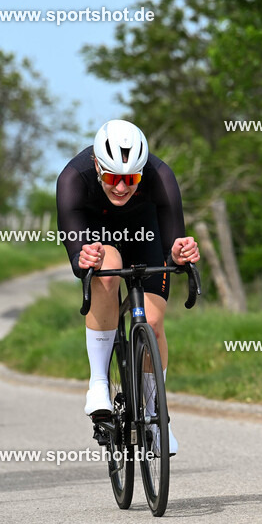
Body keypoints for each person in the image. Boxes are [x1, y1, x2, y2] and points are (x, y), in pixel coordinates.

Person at [56, 119, 200, 455]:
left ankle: (156, 417)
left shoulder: (160, 175)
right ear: (97, 165)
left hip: (145, 233)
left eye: (131, 179)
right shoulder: (73, 178)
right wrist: (82, 257)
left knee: (153, 321)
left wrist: (180, 254)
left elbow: (173, 245)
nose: (121, 187)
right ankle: (98, 384)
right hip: (97, 234)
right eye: (112, 178)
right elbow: (76, 252)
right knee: (105, 272)